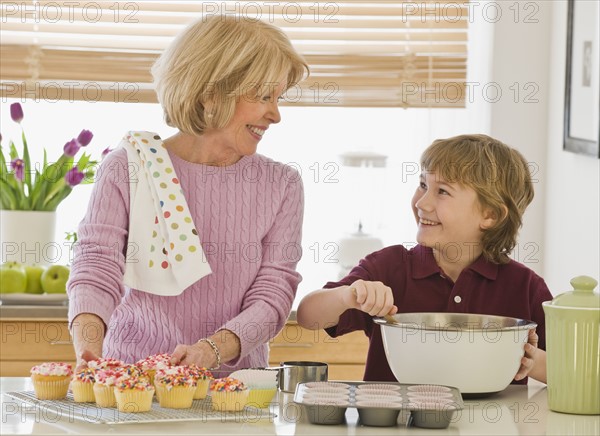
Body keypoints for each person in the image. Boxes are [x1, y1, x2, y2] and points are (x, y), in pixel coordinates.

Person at [67, 15, 309, 376]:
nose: (275, 114)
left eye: (278, 97)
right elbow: (96, 266)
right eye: (262, 96)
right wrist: (89, 349)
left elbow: (273, 296)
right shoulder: (127, 168)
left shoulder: (282, 184)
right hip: (134, 382)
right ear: (211, 93)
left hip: (236, 393)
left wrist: (211, 350)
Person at [297, 134, 551, 384]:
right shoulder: (388, 267)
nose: (422, 203)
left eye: (442, 191)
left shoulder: (525, 287)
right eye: (422, 185)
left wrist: (535, 362)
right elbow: (309, 317)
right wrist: (347, 296)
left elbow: (577, 377)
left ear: (491, 215)